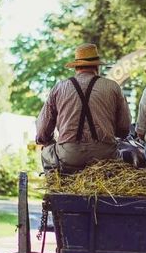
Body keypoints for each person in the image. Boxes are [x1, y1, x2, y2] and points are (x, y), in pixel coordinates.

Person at [36, 43, 132, 172]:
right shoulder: (113, 87)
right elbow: (124, 129)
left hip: (69, 156)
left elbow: (42, 131)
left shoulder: (59, 88)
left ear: (76, 67)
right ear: (97, 66)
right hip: (105, 158)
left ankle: (56, 185)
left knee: (46, 151)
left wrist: (48, 141)